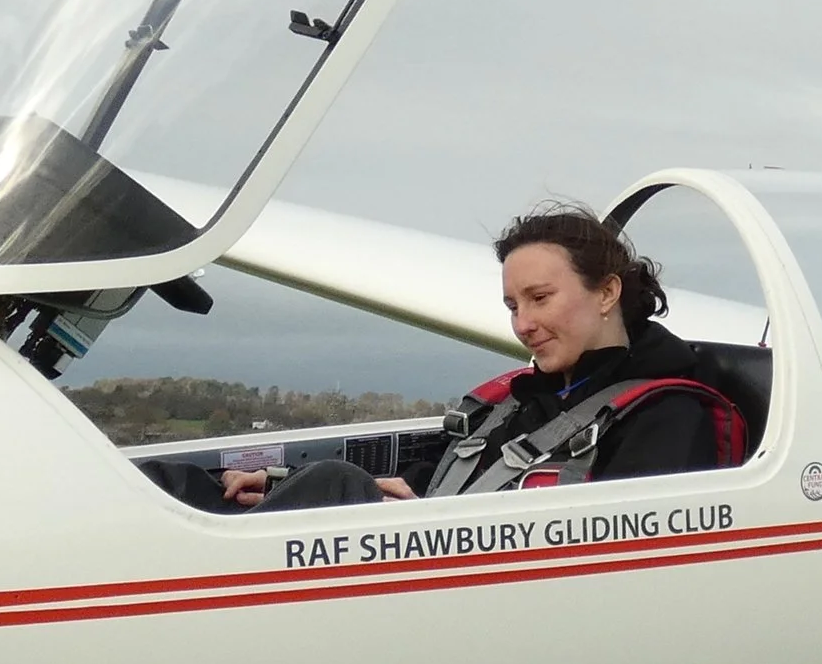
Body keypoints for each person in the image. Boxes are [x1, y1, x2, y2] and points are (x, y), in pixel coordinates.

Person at [215, 203, 746, 510]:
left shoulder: (668, 420)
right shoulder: (521, 399)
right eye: (513, 306)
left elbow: (623, 563)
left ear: (607, 293)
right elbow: (438, 484)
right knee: (209, 488)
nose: (522, 324)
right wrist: (291, 487)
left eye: (540, 299)